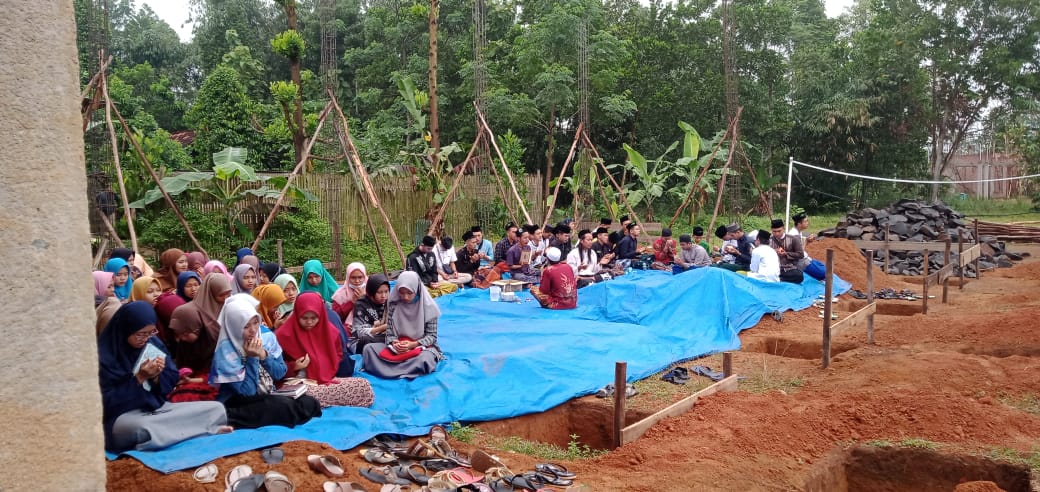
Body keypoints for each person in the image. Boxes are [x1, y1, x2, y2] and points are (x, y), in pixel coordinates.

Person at [97, 301, 230, 452]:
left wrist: (156, 377)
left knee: (216, 408)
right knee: (143, 428)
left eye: (150, 332)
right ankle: (202, 430)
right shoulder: (104, 356)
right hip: (123, 417)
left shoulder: (151, 343)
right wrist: (139, 378)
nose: (145, 338)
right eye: (140, 334)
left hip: (157, 409)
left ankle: (181, 434)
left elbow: (172, 375)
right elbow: (104, 404)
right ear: (126, 329)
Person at [210, 295, 322, 429]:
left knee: (310, 402)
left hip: (266, 393)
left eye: (255, 322)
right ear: (234, 326)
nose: (253, 330)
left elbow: (280, 373)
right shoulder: (226, 351)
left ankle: (290, 413)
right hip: (237, 402)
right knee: (281, 407)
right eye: (246, 326)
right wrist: (252, 357)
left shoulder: (265, 337)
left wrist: (263, 355)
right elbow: (248, 393)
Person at [276, 292, 375, 408]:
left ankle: (313, 403)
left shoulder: (330, 332)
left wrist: (325, 367)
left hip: (327, 380)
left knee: (363, 386)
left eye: (314, 318)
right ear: (297, 314)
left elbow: (338, 355)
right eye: (304, 318)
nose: (309, 322)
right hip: (299, 385)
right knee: (302, 396)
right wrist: (294, 367)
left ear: (321, 315)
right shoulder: (283, 335)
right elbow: (275, 370)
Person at [361, 272, 443, 379]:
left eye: (409, 293)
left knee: (425, 359)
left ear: (417, 290)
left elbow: (431, 337)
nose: (405, 297)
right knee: (368, 349)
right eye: (401, 293)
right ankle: (406, 370)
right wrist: (394, 342)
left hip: (420, 346)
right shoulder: (394, 304)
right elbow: (390, 333)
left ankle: (387, 369)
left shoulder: (429, 307)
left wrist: (413, 344)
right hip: (398, 346)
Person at [166, 273, 232, 402]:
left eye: (228, 294)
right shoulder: (191, 315)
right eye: (221, 295)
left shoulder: (229, 310)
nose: (225, 299)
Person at [352, 274, 391, 355]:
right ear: (371, 292)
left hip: (384, 336)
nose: (384, 296)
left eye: (386, 291)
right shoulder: (361, 305)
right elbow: (358, 332)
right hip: (365, 340)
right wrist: (382, 327)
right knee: (366, 340)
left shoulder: (390, 302)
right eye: (379, 292)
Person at [769, 219, 806, 284]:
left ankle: (776, 279)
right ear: (771, 230)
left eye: (779, 231)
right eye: (774, 231)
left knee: (799, 276)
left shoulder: (793, 239)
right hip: (772, 268)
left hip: (788, 268)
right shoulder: (769, 240)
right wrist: (774, 251)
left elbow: (800, 254)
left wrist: (786, 254)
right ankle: (777, 279)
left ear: (783, 228)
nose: (777, 233)